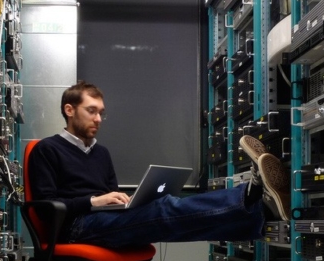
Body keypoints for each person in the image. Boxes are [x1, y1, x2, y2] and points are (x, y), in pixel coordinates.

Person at [27, 81, 290, 249]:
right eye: (91, 111)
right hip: (74, 228)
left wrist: (124, 201)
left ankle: (261, 209)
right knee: (165, 211)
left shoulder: (101, 153)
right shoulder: (47, 149)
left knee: (180, 223)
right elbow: (46, 207)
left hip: (103, 220)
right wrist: (94, 201)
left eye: (101, 113)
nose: (99, 118)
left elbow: (112, 196)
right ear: (70, 110)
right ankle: (252, 196)